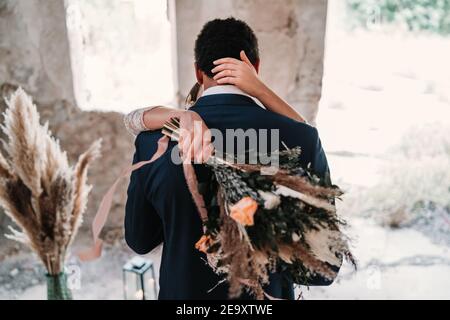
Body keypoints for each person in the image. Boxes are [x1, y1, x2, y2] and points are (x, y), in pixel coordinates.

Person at [124, 17, 340, 300]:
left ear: (198, 73)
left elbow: (139, 240)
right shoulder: (302, 140)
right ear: (256, 67)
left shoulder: (154, 141)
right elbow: (324, 267)